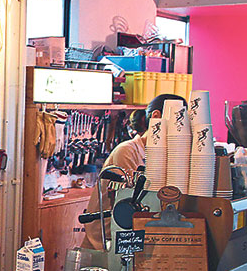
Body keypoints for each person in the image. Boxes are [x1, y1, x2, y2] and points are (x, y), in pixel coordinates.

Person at [79, 93, 187, 251]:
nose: (182, 129)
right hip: (105, 246)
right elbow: (132, 208)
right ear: (156, 116)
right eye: (179, 120)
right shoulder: (128, 151)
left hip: (135, 242)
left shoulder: (167, 155)